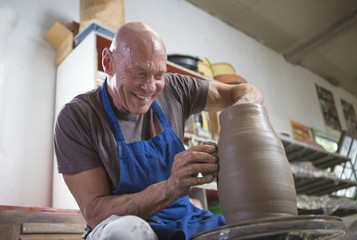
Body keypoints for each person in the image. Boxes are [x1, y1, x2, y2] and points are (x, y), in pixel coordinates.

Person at [54, 22, 263, 240]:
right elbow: (96, 214)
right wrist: (170, 187)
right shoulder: (78, 117)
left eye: (159, 75)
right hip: (121, 226)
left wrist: (244, 113)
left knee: (258, 229)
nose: (150, 87)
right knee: (127, 232)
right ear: (108, 63)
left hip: (183, 219)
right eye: (139, 73)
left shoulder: (175, 89)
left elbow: (244, 91)